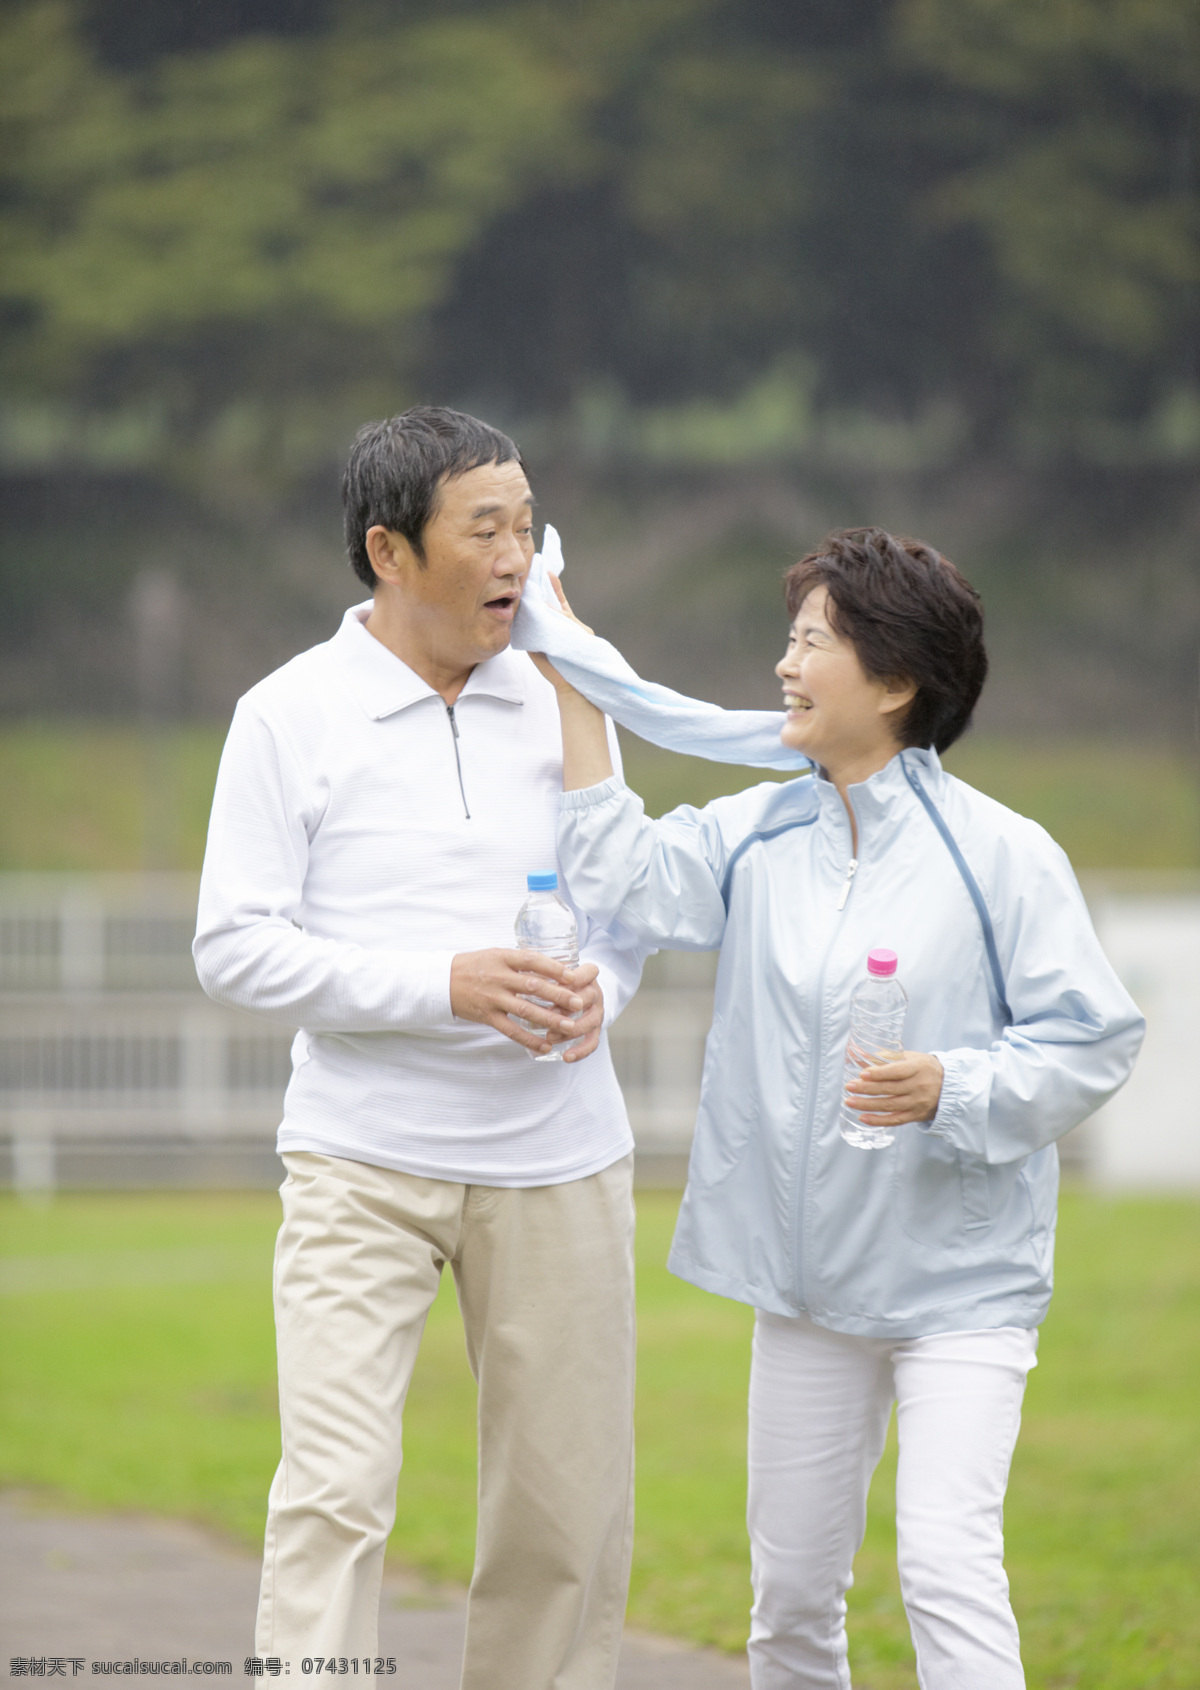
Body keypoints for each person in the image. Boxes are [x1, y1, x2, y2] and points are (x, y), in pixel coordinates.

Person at [535, 527, 1144, 1689]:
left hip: (959, 1290)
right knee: (793, 1604)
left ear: (899, 679)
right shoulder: (760, 831)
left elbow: (1092, 1039)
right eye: (790, 635)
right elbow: (622, 877)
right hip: (809, 1291)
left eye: (812, 640)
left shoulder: (1004, 856)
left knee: (946, 1568)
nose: (784, 664)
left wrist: (954, 1085)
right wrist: (571, 672)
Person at [193, 407, 645, 1688]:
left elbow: (627, 900)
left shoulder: (567, 694)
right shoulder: (287, 713)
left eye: (525, 522)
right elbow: (234, 948)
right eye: (483, 527)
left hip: (561, 1159)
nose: (517, 555)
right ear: (390, 550)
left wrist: (603, 984)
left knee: (564, 1512)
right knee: (333, 1490)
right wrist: (442, 985)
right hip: (361, 1161)